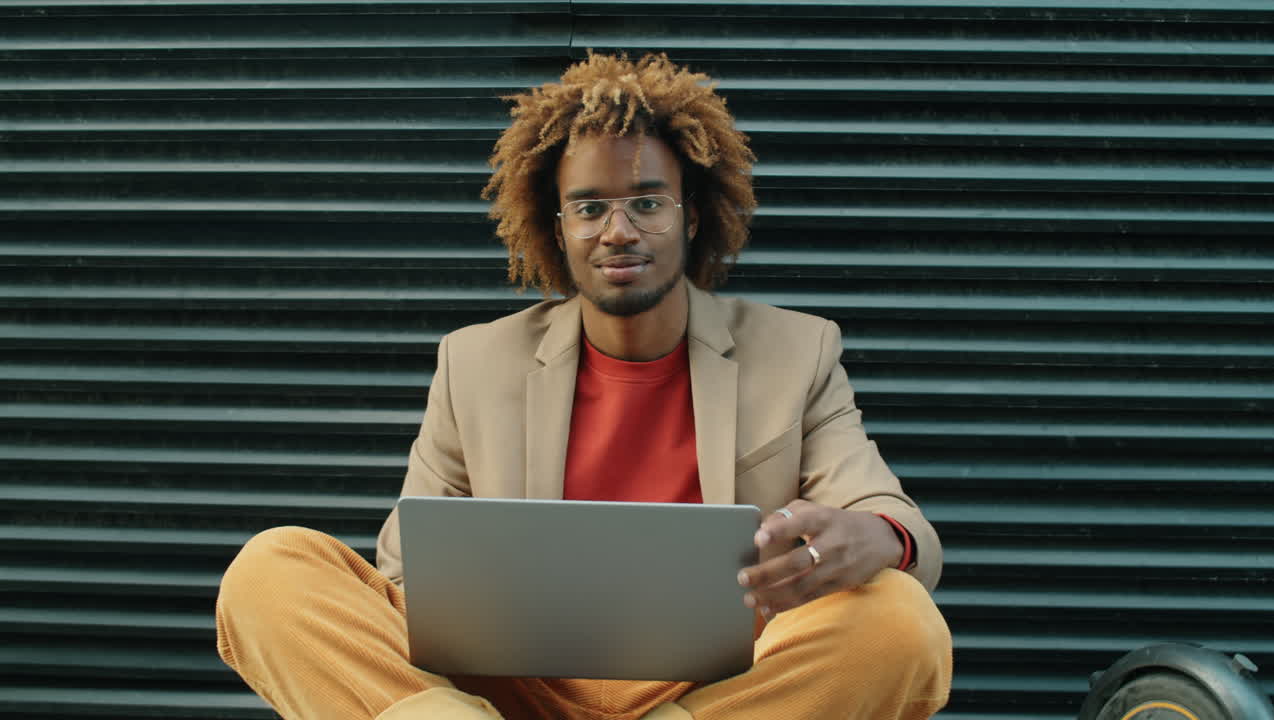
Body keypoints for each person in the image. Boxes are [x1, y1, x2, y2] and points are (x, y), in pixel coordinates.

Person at [215, 52, 952, 720]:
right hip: (511, 687)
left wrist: (873, 536)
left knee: (898, 619)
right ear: (558, 226)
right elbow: (408, 578)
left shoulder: (798, 350)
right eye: (591, 207)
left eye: (648, 202)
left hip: (715, 690)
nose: (618, 231)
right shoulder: (475, 361)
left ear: (691, 214)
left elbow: (889, 513)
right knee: (270, 571)